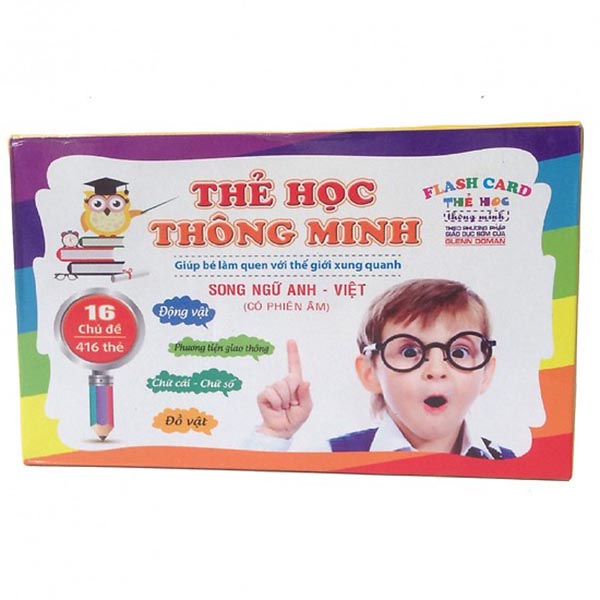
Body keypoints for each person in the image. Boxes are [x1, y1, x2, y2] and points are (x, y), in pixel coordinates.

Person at [250, 278, 515, 459]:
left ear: (485, 373)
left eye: (459, 352)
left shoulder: (507, 462)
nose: (437, 369)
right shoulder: (332, 457)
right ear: (370, 373)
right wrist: (273, 435)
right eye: (410, 352)